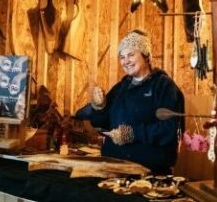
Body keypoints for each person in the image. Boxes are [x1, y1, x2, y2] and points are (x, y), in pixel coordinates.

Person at [75, 30, 185, 174]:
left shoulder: (164, 86)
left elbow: (168, 130)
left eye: (131, 55)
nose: (125, 61)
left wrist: (133, 134)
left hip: (148, 170)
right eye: (122, 57)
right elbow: (101, 124)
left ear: (146, 56)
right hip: (113, 166)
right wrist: (99, 107)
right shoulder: (121, 87)